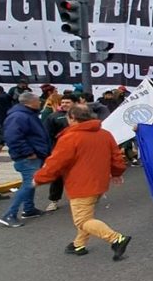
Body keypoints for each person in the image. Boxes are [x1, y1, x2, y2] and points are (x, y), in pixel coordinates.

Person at [32, 104, 131, 259]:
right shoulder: (104, 134)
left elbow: (56, 163)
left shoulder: (70, 138)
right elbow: (117, 158)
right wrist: (117, 173)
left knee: (82, 220)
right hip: (100, 183)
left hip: (80, 185)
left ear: (72, 118)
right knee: (86, 216)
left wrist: (39, 178)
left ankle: (116, 239)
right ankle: (79, 245)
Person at [0, 92, 51, 227]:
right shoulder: (19, 116)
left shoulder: (27, 114)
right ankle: (9, 214)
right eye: (38, 101)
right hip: (28, 157)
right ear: (30, 102)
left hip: (34, 154)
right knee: (29, 183)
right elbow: (12, 137)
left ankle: (29, 209)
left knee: (31, 182)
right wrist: (28, 152)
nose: (40, 103)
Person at [42, 94, 74, 212]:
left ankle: (78, 199)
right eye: (63, 102)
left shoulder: (80, 116)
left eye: (68, 102)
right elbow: (47, 135)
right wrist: (50, 152)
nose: (65, 104)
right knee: (57, 178)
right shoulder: (53, 117)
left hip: (77, 153)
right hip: (60, 152)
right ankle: (53, 200)